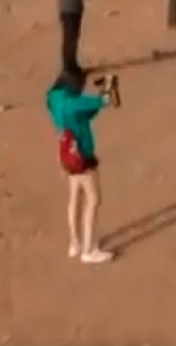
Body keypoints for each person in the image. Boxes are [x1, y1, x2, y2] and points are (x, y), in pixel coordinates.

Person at [47, 66, 115, 264]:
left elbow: (85, 111)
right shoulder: (72, 103)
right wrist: (105, 94)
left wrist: (98, 103)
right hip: (82, 156)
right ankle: (88, 250)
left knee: (75, 197)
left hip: (67, 154)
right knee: (93, 199)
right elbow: (97, 102)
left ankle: (75, 243)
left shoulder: (53, 99)